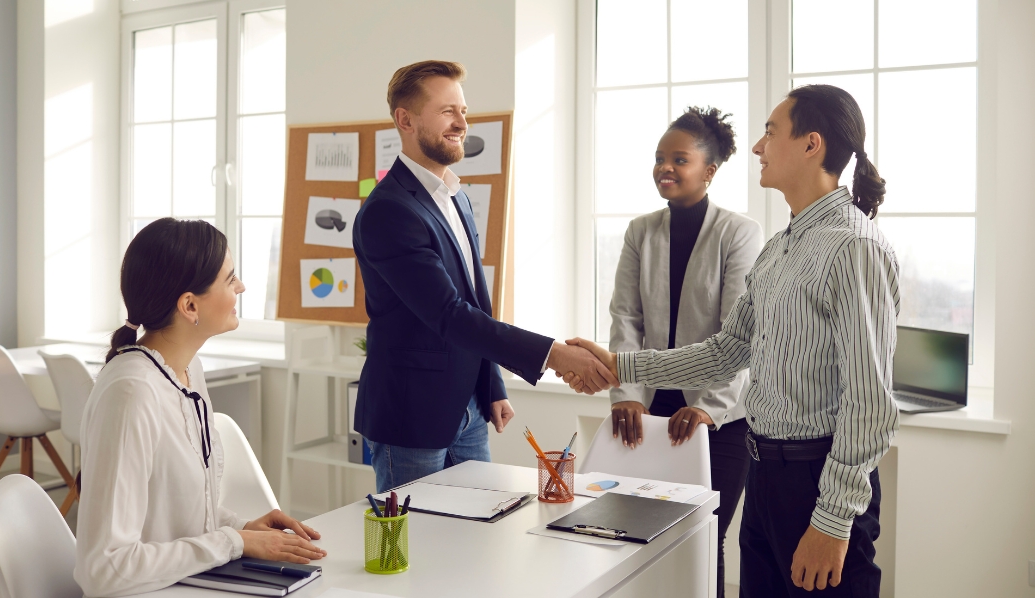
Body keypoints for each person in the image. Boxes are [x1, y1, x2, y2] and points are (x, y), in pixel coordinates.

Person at [565, 84, 898, 596]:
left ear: (812, 145)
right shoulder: (780, 248)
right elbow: (724, 353)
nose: (759, 147)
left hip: (816, 481)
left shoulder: (853, 247)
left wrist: (831, 523)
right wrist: (619, 365)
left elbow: (870, 404)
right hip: (765, 475)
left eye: (770, 132)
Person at [352, 60, 619, 494]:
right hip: (411, 415)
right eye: (446, 111)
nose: (461, 123)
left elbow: (476, 300)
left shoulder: (456, 198)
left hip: (471, 408)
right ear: (405, 119)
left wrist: (491, 384)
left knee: (477, 535)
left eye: (463, 110)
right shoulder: (388, 210)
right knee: (418, 545)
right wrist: (552, 354)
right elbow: (449, 315)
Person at [75, 218, 326, 597]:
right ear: (190, 305)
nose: (241, 286)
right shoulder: (132, 393)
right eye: (230, 279)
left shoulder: (188, 368)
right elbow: (104, 569)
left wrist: (243, 529)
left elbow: (173, 515)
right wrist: (234, 541)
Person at [605, 106, 762, 598]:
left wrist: (707, 407)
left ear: (709, 171)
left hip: (719, 422)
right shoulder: (640, 231)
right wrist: (626, 393)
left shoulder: (739, 233)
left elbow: (740, 335)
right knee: (636, 537)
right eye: (658, 158)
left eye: (679, 159)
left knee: (701, 539)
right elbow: (625, 318)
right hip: (649, 416)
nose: (664, 168)